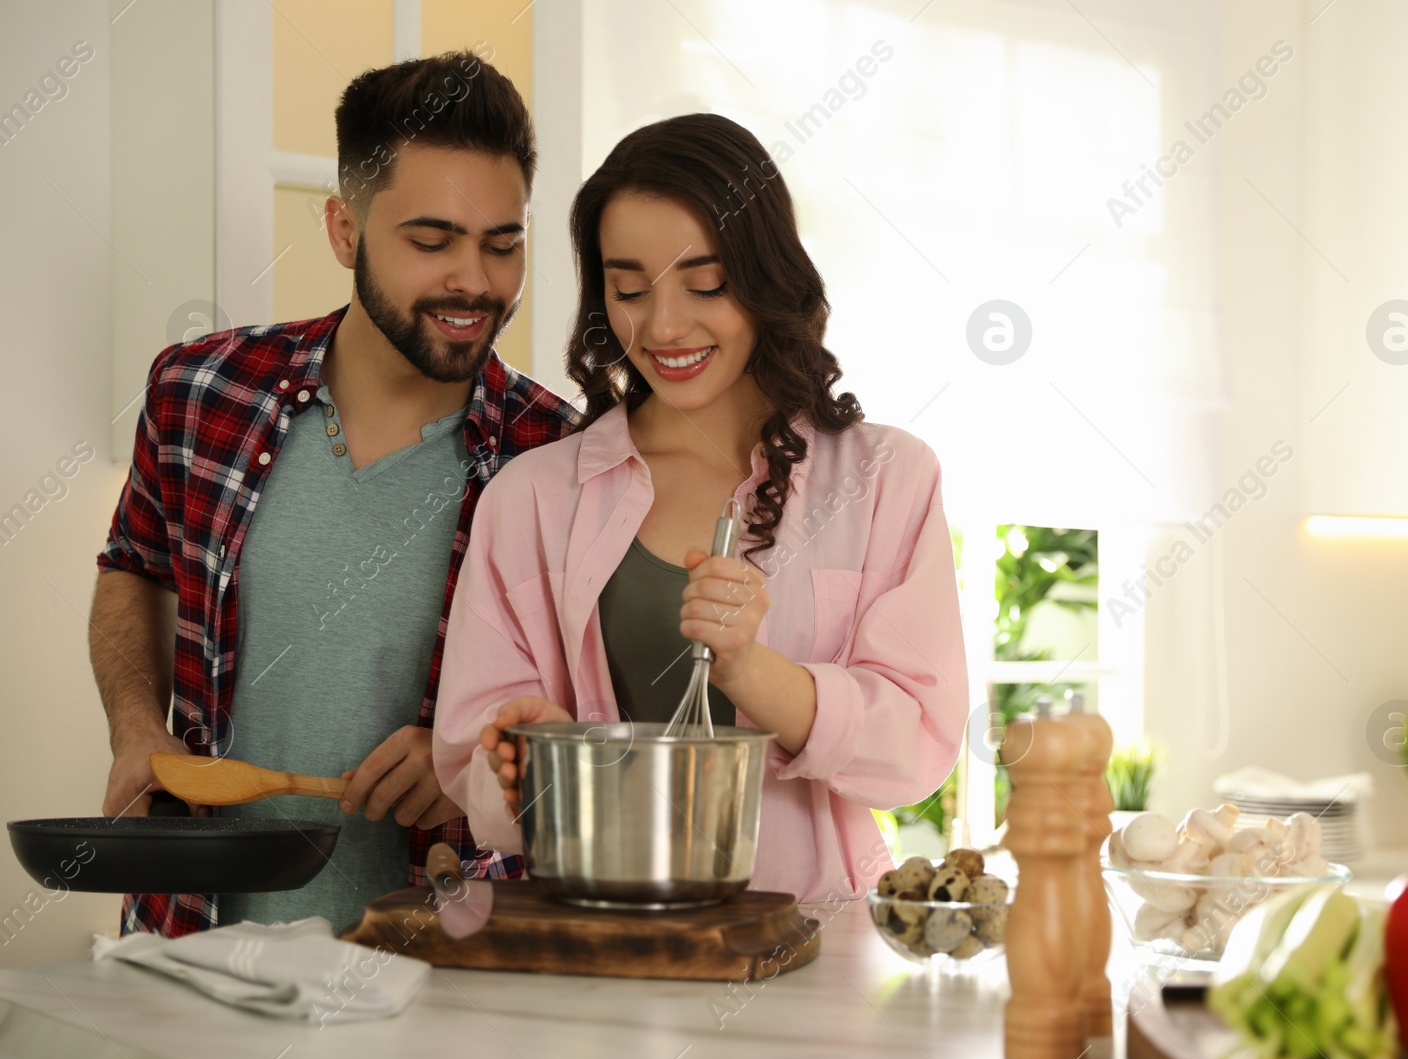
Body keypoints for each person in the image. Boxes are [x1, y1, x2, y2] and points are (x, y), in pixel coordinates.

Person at [90, 52, 574, 937]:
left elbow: (593, 712)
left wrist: (474, 761)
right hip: (189, 942)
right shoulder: (201, 392)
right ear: (343, 230)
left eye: (502, 244)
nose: (475, 280)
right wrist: (135, 725)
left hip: (451, 962)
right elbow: (134, 567)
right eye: (431, 242)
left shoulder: (561, 454)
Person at [432, 113, 967, 902]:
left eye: (706, 284)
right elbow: (471, 768)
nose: (666, 325)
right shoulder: (532, 499)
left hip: (816, 953)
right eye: (629, 289)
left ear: (765, 276)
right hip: (602, 955)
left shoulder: (888, 477)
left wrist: (755, 669)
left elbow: (915, 747)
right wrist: (519, 763)